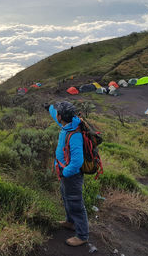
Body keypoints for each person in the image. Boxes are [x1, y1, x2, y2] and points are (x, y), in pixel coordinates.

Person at [46, 101, 89, 247]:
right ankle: (70, 222)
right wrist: (49, 108)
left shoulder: (74, 134)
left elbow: (77, 161)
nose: (55, 115)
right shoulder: (67, 125)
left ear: (60, 117)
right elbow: (56, 116)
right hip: (65, 174)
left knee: (75, 203)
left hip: (72, 176)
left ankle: (82, 235)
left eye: (56, 112)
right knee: (66, 198)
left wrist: (65, 172)